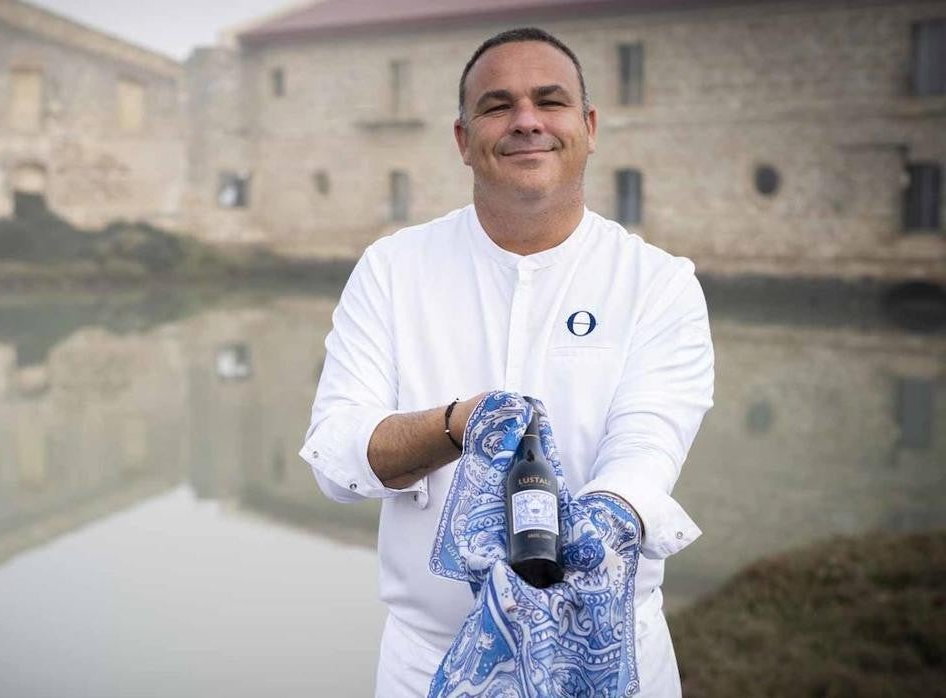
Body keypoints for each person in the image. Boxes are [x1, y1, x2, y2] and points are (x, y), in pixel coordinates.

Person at [300, 27, 714, 697]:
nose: (526, 121)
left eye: (549, 102)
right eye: (498, 105)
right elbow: (338, 458)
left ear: (588, 126)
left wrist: (593, 533)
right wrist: (458, 424)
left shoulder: (658, 283)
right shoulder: (391, 270)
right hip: (427, 663)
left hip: (609, 655)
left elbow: (647, 447)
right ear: (464, 140)